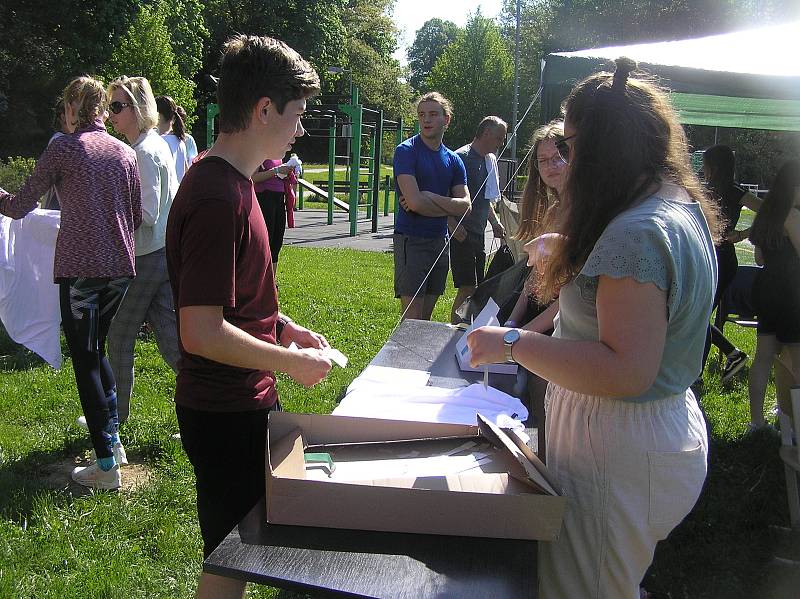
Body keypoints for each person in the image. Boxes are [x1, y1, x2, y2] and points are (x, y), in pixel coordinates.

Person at [467, 58, 717, 598]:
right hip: (648, 437)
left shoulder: (638, 232)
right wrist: (574, 254)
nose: (567, 158)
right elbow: (639, 293)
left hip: (618, 448)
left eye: (575, 145)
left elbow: (625, 368)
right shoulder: (672, 204)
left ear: (607, 148)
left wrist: (513, 342)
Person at [165, 35, 331, 599]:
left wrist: (284, 328)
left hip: (241, 403)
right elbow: (201, 330)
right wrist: (290, 362)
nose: (300, 130)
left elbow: (237, 300)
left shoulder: (236, 185)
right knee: (230, 559)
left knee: (248, 547)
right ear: (264, 109)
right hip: (223, 410)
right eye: (297, 115)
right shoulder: (216, 196)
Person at [0, 76, 142, 489]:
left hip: (82, 271)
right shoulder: (124, 151)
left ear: (71, 108)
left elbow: (21, 205)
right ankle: (113, 445)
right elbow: (135, 216)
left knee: (85, 358)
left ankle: (104, 465)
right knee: (96, 352)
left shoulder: (62, 147)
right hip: (120, 267)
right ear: (101, 109)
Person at [105, 76, 181, 425]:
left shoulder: (143, 153)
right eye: (109, 107)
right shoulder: (154, 144)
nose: (110, 115)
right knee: (171, 342)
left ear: (137, 108)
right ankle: (212, 401)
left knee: (119, 335)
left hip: (147, 257)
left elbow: (146, 214)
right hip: (160, 254)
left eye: (117, 107)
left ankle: (114, 417)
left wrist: (106, 218)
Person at [394, 92, 470, 320]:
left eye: (433, 114)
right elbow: (415, 203)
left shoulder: (454, 160)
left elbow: (466, 206)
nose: (426, 120)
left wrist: (427, 196)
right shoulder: (406, 151)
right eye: (422, 115)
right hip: (412, 240)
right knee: (412, 319)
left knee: (425, 318)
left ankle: (415, 357)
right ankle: (402, 357)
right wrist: (445, 206)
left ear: (446, 120)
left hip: (440, 242)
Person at [701, 144, 762, 384]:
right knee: (699, 315)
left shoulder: (735, 191)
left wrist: (741, 235)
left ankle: (719, 362)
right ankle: (730, 355)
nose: (703, 170)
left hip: (723, 259)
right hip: (708, 256)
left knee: (700, 316)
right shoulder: (705, 190)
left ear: (714, 167)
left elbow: (769, 212)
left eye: (705, 165)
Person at [747, 160, 800, 430]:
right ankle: (795, 425)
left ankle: (757, 421)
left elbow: (758, 258)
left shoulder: (766, 214)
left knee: (763, 358)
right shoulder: (792, 216)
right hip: (791, 293)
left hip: (765, 288)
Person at [504, 120, 568, 329]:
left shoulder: (587, 213)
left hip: (560, 328)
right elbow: (534, 276)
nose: (550, 166)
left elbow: (571, 298)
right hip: (535, 319)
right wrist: (512, 321)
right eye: (543, 160)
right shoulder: (552, 210)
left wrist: (519, 336)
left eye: (558, 157)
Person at [449, 116, 507, 324]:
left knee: (476, 287)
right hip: (461, 232)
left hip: (478, 232)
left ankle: (465, 328)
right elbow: (445, 196)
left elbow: (484, 198)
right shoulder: (461, 158)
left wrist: (495, 222)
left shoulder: (487, 160)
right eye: (499, 138)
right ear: (486, 134)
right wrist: (452, 225)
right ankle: (455, 330)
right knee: (467, 286)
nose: (501, 143)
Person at [251, 153, 292, 265]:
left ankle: (272, 280)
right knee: (266, 240)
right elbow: (253, 177)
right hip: (265, 197)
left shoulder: (279, 154)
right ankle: (262, 279)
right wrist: (276, 171)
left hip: (279, 197)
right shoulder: (261, 152)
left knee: (277, 241)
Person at [156, 95, 190, 182]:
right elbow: (187, 172)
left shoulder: (158, 142)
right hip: (179, 194)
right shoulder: (180, 141)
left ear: (157, 115)